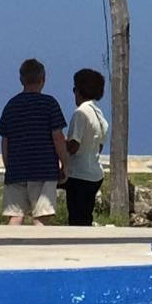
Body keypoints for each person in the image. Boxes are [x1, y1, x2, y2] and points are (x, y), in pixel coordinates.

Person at [0, 58, 67, 225]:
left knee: (15, 215)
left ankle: (10, 247)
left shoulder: (11, 106)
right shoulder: (50, 104)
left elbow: (5, 141)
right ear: (44, 79)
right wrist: (64, 164)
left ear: (21, 79)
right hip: (44, 169)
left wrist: (9, 166)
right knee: (41, 216)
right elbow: (58, 138)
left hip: (17, 168)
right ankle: (38, 248)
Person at [62, 68, 109, 226]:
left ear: (79, 90)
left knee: (76, 217)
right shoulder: (99, 114)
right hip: (95, 173)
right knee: (85, 216)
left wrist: (60, 140)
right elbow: (100, 147)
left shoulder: (80, 113)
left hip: (79, 174)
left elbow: (73, 146)